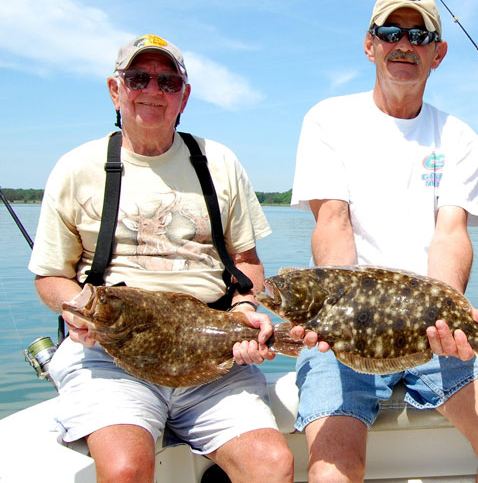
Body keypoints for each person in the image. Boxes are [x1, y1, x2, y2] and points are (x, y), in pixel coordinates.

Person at [289, 0, 478, 482]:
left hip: (433, 328)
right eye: (390, 32)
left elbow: (450, 235)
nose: (403, 44)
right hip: (348, 329)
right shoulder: (327, 120)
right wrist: (336, 317)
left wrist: (448, 318)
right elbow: (333, 222)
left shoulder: (458, 137)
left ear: (437, 53)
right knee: (333, 470)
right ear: (370, 44)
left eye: (419, 36)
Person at [28, 34, 294, 483]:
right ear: (115, 89)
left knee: (272, 464)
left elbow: (246, 260)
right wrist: (75, 309)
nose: (152, 90)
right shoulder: (76, 168)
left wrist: (245, 309)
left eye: (167, 82)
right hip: (110, 354)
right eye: (138, 78)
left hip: (212, 351)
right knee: (125, 469)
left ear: (183, 97)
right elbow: (50, 276)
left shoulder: (219, 161)